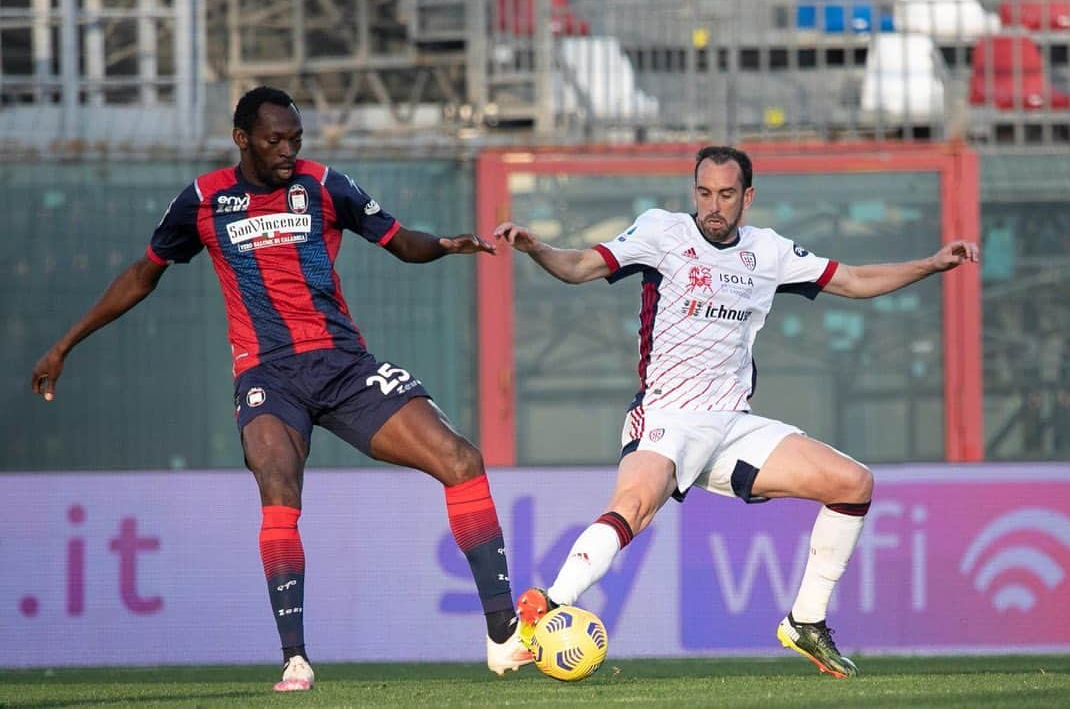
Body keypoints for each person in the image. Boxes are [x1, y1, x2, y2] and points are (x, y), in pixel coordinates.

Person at [30, 86, 532, 690]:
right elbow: (142, 275)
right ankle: (294, 657)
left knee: (461, 459)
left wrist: (448, 244)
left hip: (345, 366)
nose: (288, 150)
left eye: (295, 139)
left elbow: (399, 241)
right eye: (275, 140)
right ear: (242, 139)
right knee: (278, 483)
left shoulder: (324, 186)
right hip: (267, 375)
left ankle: (504, 637)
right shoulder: (201, 200)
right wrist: (64, 344)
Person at [493, 145, 980, 678]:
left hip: (731, 426)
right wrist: (537, 247)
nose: (713, 206)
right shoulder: (662, 234)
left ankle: (805, 623)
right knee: (634, 505)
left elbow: (854, 281)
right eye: (704, 193)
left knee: (854, 484)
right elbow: (579, 266)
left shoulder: (768, 252)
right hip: (667, 415)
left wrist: (932, 264)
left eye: (726, 195)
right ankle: (546, 610)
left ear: (748, 197)